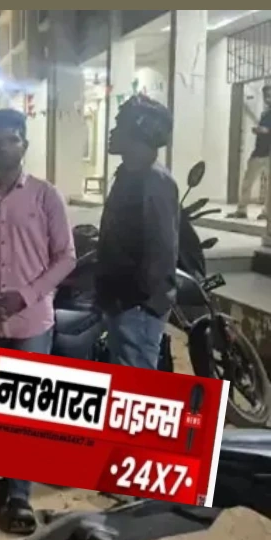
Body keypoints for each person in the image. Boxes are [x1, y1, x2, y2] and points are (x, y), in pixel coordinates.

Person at [0, 108, 76, 535]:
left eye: (10, 139)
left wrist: (23, 295)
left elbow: (66, 257)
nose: (1, 147)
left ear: (24, 143)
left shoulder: (46, 196)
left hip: (31, 321)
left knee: (25, 410)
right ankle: (4, 483)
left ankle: (20, 496)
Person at [96, 95, 178, 372]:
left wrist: (136, 305)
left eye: (120, 125)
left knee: (134, 385)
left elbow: (161, 252)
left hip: (136, 308)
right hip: (124, 304)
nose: (112, 132)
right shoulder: (128, 175)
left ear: (140, 132)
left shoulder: (154, 181)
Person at [227, 84, 271, 221]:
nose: (267, 98)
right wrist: (259, 130)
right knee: (247, 182)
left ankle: (267, 213)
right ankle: (241, 210)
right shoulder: (265, 114)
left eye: (269, 95)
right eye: (266, 96)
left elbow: (266, 130)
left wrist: (264, 131)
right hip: (258, 152)